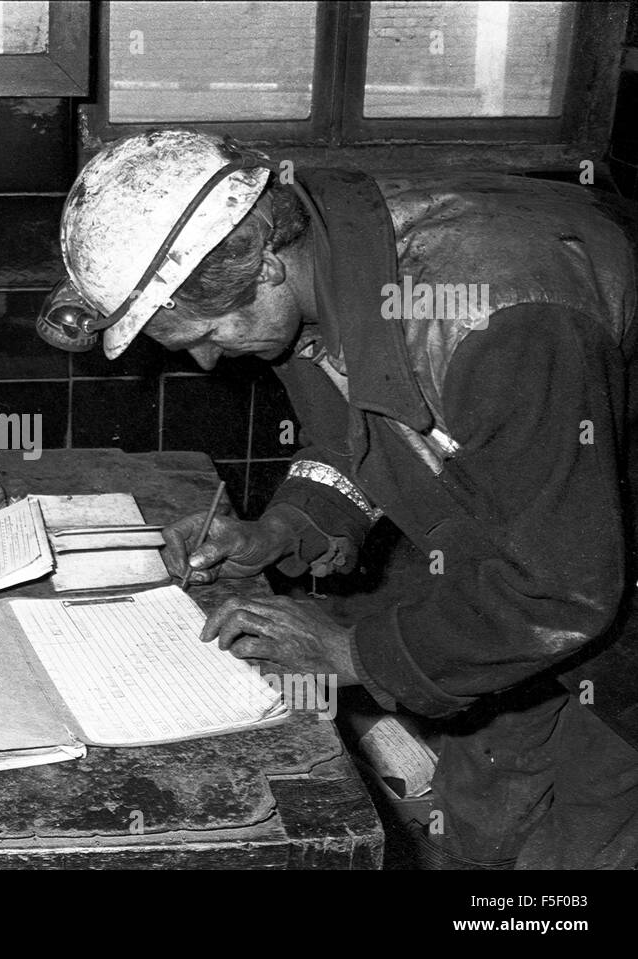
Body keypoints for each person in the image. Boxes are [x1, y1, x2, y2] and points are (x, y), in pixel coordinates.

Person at [38, 130, 638, 869]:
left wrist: (348, 648)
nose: (205, 358)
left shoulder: (495, 317)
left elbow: (561, 589)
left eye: (210, 330)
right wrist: (284, 528)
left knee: (575, 860)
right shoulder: (322, 263)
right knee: (478, 820)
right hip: (514, 566)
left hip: (605, 610)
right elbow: (362, 439)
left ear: (262, 262)